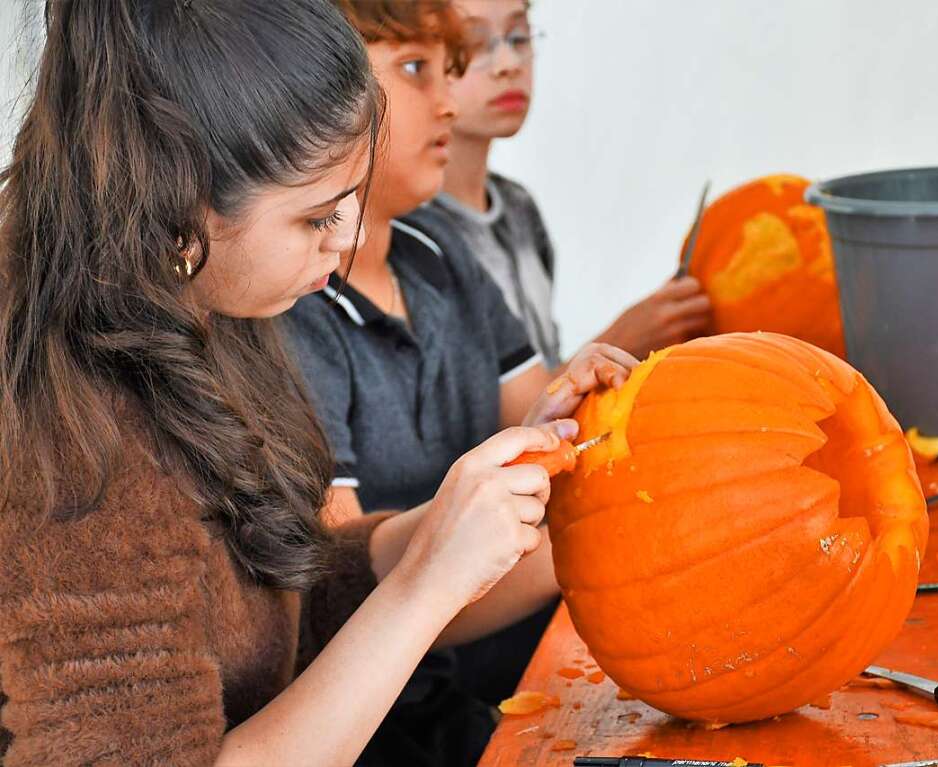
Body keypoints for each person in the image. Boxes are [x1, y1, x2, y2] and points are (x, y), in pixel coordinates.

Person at [0, 2, 632, 766]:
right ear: (177, 214)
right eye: (315, 218)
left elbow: (286, 595)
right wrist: (424, 584)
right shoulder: (71, 450)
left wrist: (471, 510)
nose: (351, 239)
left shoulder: (214, 303)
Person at [284, 2, 638, 747]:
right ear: (315, 90)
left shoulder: (440, 251)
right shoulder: (292, 308)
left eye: (448, 71)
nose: (448, 100)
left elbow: (549, 423)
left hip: (506, 679)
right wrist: (599, 544)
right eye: (416, 71)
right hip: (388, 726)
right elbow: (342, 592)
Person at [426, 0, 713, 369]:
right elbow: (489, 420)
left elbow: (542, 378)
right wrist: (619, 340)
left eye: (519, 37)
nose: (509, 64)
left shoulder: (518, 208)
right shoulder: (411, 236)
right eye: (472, 45)